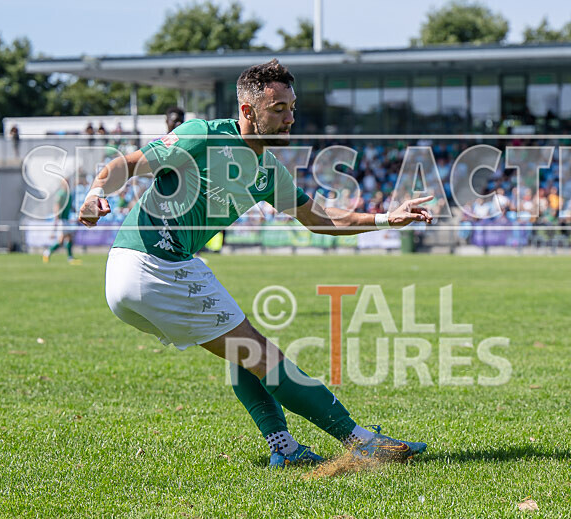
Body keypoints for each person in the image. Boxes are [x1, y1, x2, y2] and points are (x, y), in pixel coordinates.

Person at [78, 60, 431, 469]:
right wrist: (95, 192)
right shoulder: (203, 135)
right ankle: (362, 442)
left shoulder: (268, 171)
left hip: (143, 270)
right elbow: (127, 164)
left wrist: (387, 218)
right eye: (278, 109)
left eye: (292, 108)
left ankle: (284, 448)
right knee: (264, 357)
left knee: (243, 351)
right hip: (153, 264)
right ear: (247, 110)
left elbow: (320, 219)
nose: (290, 119)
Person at [44, 179, 81, 264]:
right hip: (61, 220)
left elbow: (70, 206)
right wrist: (56, 218)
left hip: (66, 219)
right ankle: (48, 251)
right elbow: (57, 206)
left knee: (69, 238)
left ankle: (70, 257)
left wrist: (77, 212)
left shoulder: (69, 195)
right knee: (62, 240)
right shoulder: (61, 194)